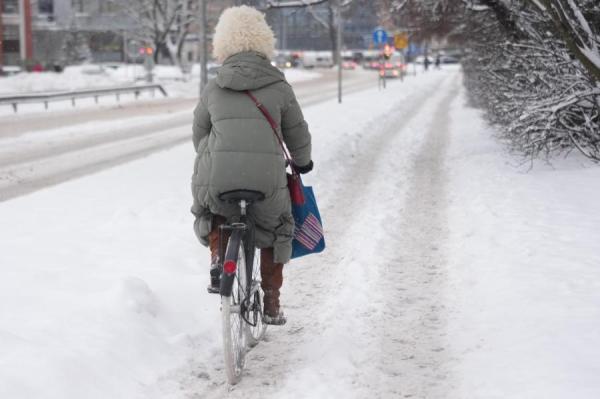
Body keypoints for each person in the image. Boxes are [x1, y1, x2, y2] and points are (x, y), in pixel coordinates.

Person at [191, 6, 313, 326]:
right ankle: (271, 301)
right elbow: (297, 134)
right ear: (264, 42)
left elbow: (199, 133)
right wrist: (303, 163)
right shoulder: (279, 86)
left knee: (214, 210)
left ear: (223, 44)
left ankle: (219, 260)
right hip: (266, 181)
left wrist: (212, 155)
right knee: (277, 227)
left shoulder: (214, 87)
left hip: (220, 176)